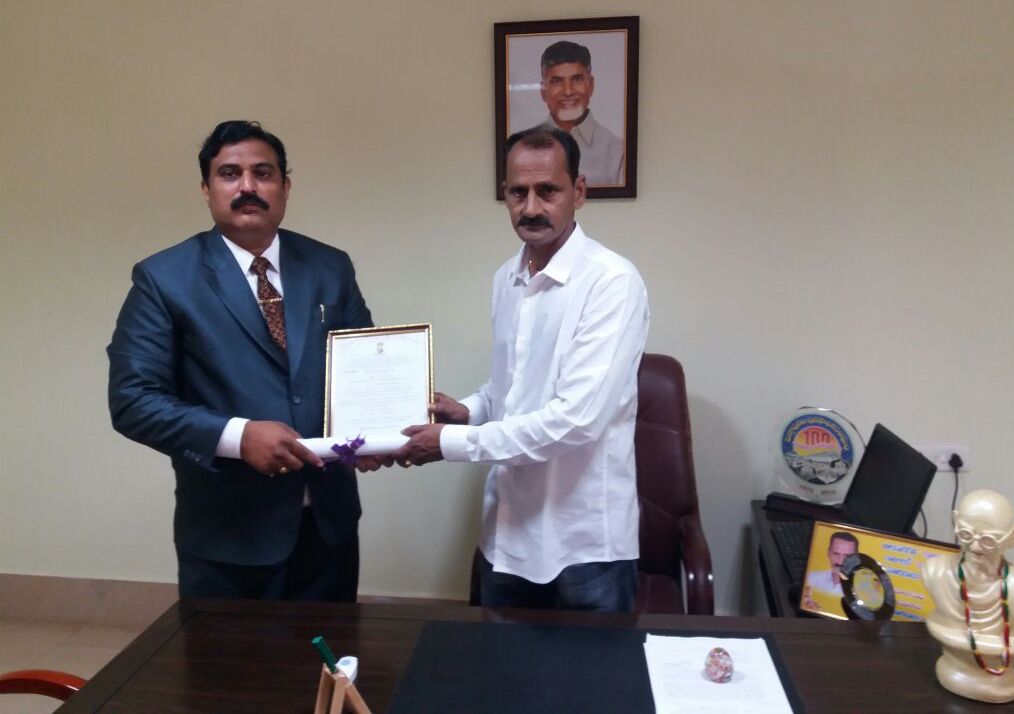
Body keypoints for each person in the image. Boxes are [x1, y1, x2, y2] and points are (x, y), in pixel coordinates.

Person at [107, 120, 373, 601]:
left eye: (263, 173)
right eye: (230, 174)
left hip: (329, 525)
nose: (247, 186)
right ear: (206, 189)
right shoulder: (164, 279)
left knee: (328, 651)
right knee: (230, 655)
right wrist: (237, 436)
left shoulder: (331, 266)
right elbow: (133, 400)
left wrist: (381, 429)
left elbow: (363, 370)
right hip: (228, 534)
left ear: (285, 187)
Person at [391, 127, 650, 612]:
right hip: (508, 532)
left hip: (584, 543)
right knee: (503, 661)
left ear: (578, 192)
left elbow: (577, 420)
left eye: (547, 191)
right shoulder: (505, 278)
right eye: (518, 192)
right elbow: (509, 385)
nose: (530, 207)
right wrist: (468, 411)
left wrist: (451, 443)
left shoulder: (612, 282)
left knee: (594, 666)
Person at [923, 490, 1014, 703]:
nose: (974, 546)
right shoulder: (935, 572)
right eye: (965, 534)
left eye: (989, 540)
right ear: (955, 522)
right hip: (953, 668)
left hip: (1004, 680)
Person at [537, 40, 624, 186]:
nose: (568, 91)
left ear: (591, 85)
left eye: (577, 79)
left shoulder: (618, 151)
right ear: (543, 91)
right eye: (557, 81)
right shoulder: (524, 148)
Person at [802, 531, 858, 613]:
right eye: (836, 554)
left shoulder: (861, 592)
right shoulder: (810, 578)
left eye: (847, 556)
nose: (840, 561)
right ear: (828, 553)